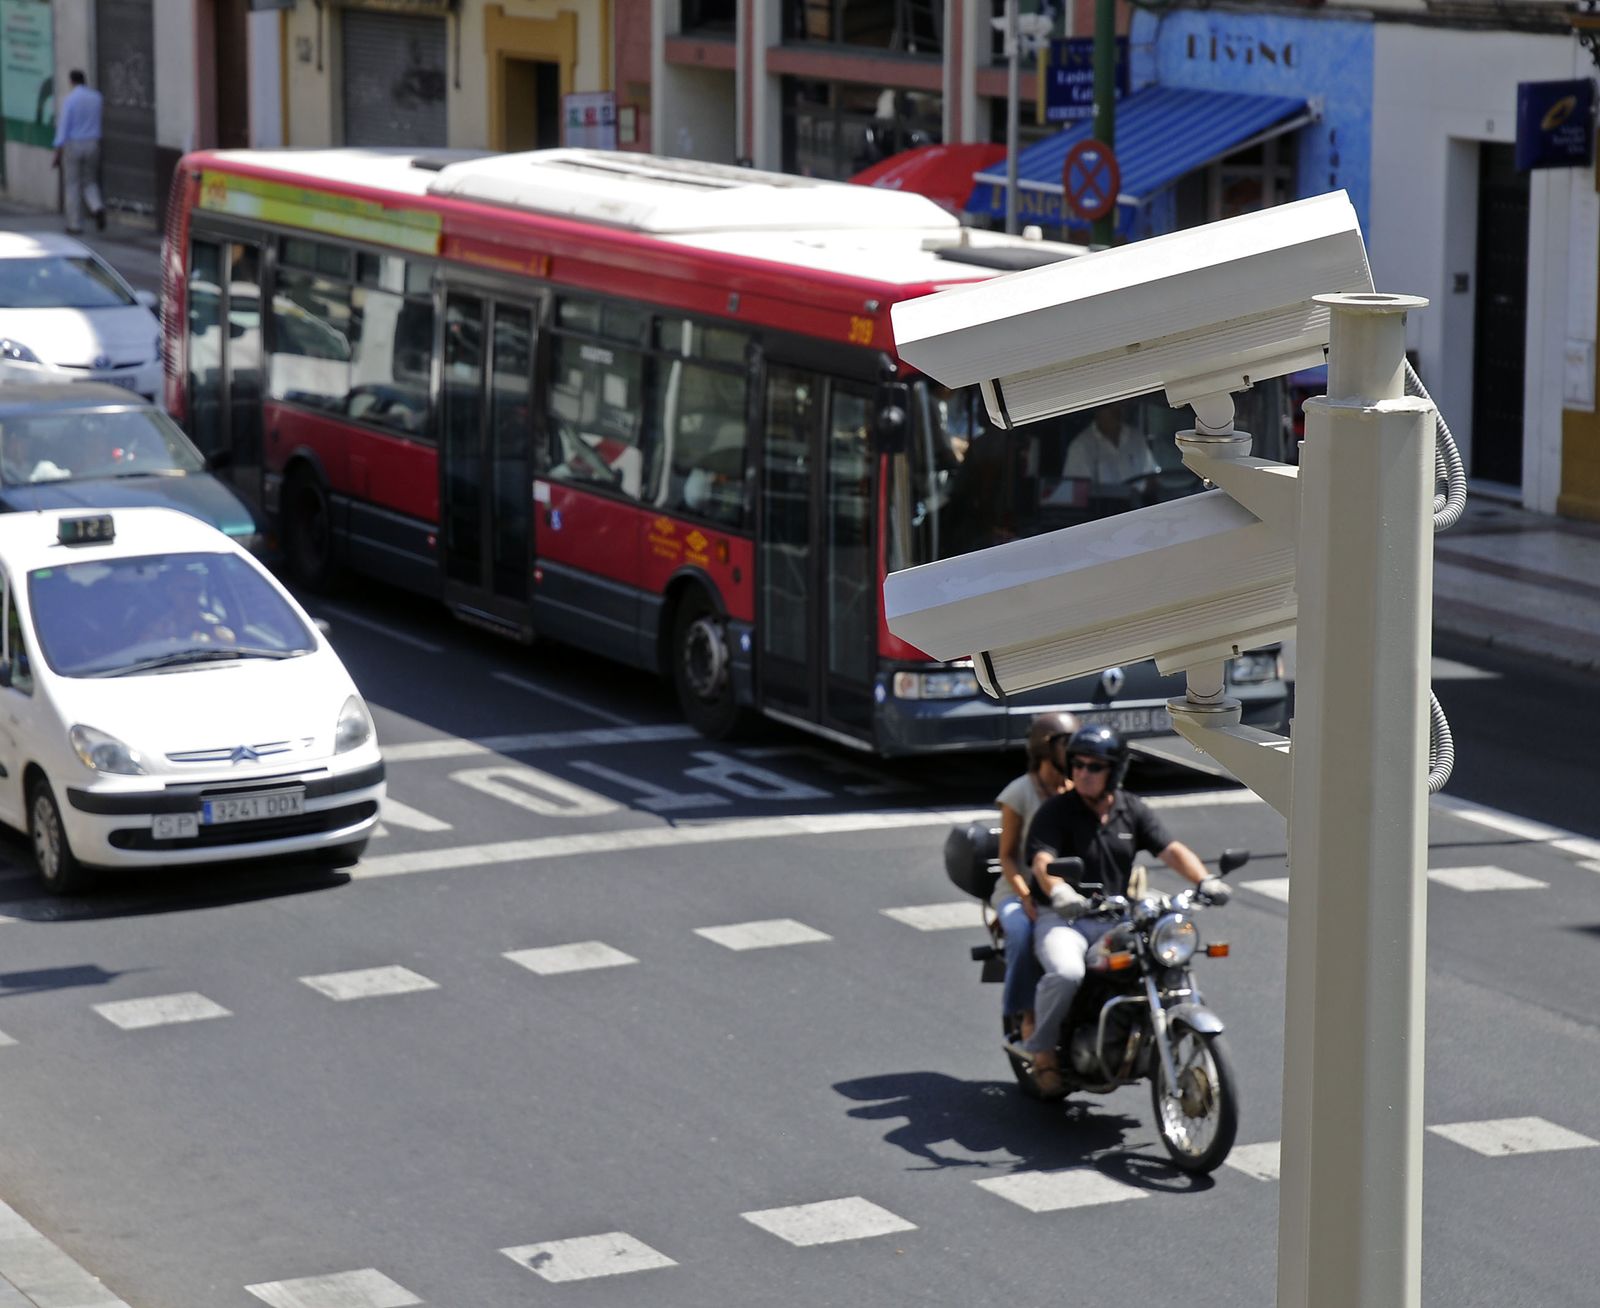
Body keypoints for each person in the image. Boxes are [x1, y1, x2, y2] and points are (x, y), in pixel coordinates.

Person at [1014, 724, 1229, 1096]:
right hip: (1065, 917)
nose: (1083, 773)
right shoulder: (1056, 811)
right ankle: (1044, 1050)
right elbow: (1042, 860)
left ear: (1113, 771)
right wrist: (1060, 890)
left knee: (1166, 963)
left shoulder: (1131, 809)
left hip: (1116, 916)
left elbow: (1170, 849)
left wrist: (1204, 881)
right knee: (1067, 973)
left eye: (1094, 767)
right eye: (1077, 765)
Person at [992, 711, 1079, 1042]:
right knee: (1020, 929)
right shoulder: (1019, 793)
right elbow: (1007, 856)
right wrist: (1025, 895)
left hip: (1063, 888)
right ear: (1045, 750)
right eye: (1066, 746)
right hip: (1018, 890)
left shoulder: (1079, 789)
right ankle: (1025, 1011)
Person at [52, 70, 106, 236]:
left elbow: (64, 127)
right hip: (93, 143)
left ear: (71, 82)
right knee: (89, 180)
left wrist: (58, 151)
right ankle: (97, 207)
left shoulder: (70, 100)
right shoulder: (97, 98)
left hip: (74, 144)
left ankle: (74, 224)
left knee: (73, 184)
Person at [1062, 401, 1159, 491]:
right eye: (1110, 407)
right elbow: (1078, 493)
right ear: (1097, 410)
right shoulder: (1080, 447)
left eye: (1119, 405)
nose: (1116, 411)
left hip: (1140, 505)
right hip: (1105, 508)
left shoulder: (1136, 438)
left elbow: (1151, 477)